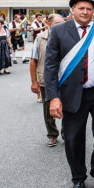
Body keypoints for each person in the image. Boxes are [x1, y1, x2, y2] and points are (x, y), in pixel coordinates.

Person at [44, 0, 94, 188]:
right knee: (72, 138)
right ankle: (78, 178)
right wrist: (53, 97)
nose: (85, 12)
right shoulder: (59, 31)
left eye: (89, 9)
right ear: (73, 10)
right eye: (81, 8)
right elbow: (50, 66)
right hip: (71, 94)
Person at [30, 14, 65, 146]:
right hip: (46, 80)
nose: (61, 26)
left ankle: (67, 133)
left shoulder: (68, 37)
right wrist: (34, 82)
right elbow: (33, 61)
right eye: (57, 23)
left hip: (65, 79)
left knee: (68, 107)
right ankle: (52, 135)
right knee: (48, 110)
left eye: (63, 23)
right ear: (49, 24)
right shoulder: (40, 38)